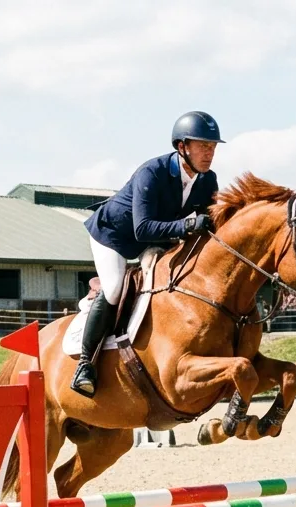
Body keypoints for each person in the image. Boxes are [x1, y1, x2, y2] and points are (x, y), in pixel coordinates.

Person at [74, 111, 223, 397]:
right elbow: (142, 229)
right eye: (203, 146)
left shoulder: (207, 180)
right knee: (116, 288)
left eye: (213, 147)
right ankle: (85, 365)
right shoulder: (152, 172)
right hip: (114, 235)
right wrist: (188, 224)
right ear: (182, 147)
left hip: (157, 239)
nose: (209, 153)